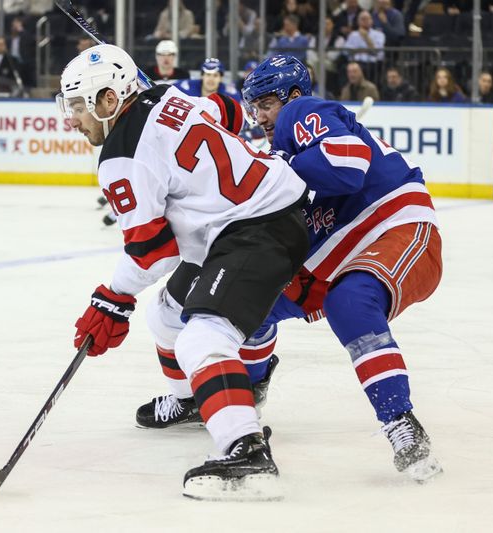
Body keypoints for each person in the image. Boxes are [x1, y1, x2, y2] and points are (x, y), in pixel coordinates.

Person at [59, 44, 310, 500]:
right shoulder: (171, 95)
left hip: (255, 230)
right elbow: (231, 111)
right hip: (259, 214)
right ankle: (196, 401)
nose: (71, 119)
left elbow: (154, 253)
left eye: (78, 105)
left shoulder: (121, 155)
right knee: (167, 316)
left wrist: (111, 296)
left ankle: (246, 449)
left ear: (110, 100)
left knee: (202, 338)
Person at [238, 54, 443, 483]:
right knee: (250, 298)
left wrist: (277, 166)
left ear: (293, 96)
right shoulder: (286, 147)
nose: (259, 116)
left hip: (394, 227)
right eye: (253, 107)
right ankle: (247, 392)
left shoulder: (303, 111)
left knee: (348, 301)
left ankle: (400, 422)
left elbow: (348, 167)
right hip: (337, 247)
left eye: (265, 104)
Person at [174, 57, 241, 100]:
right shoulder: (184, 87)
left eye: (215, 75)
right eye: (208, 75)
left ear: (221, 78)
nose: (211, 79)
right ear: (201, 76)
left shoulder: (231, 96)